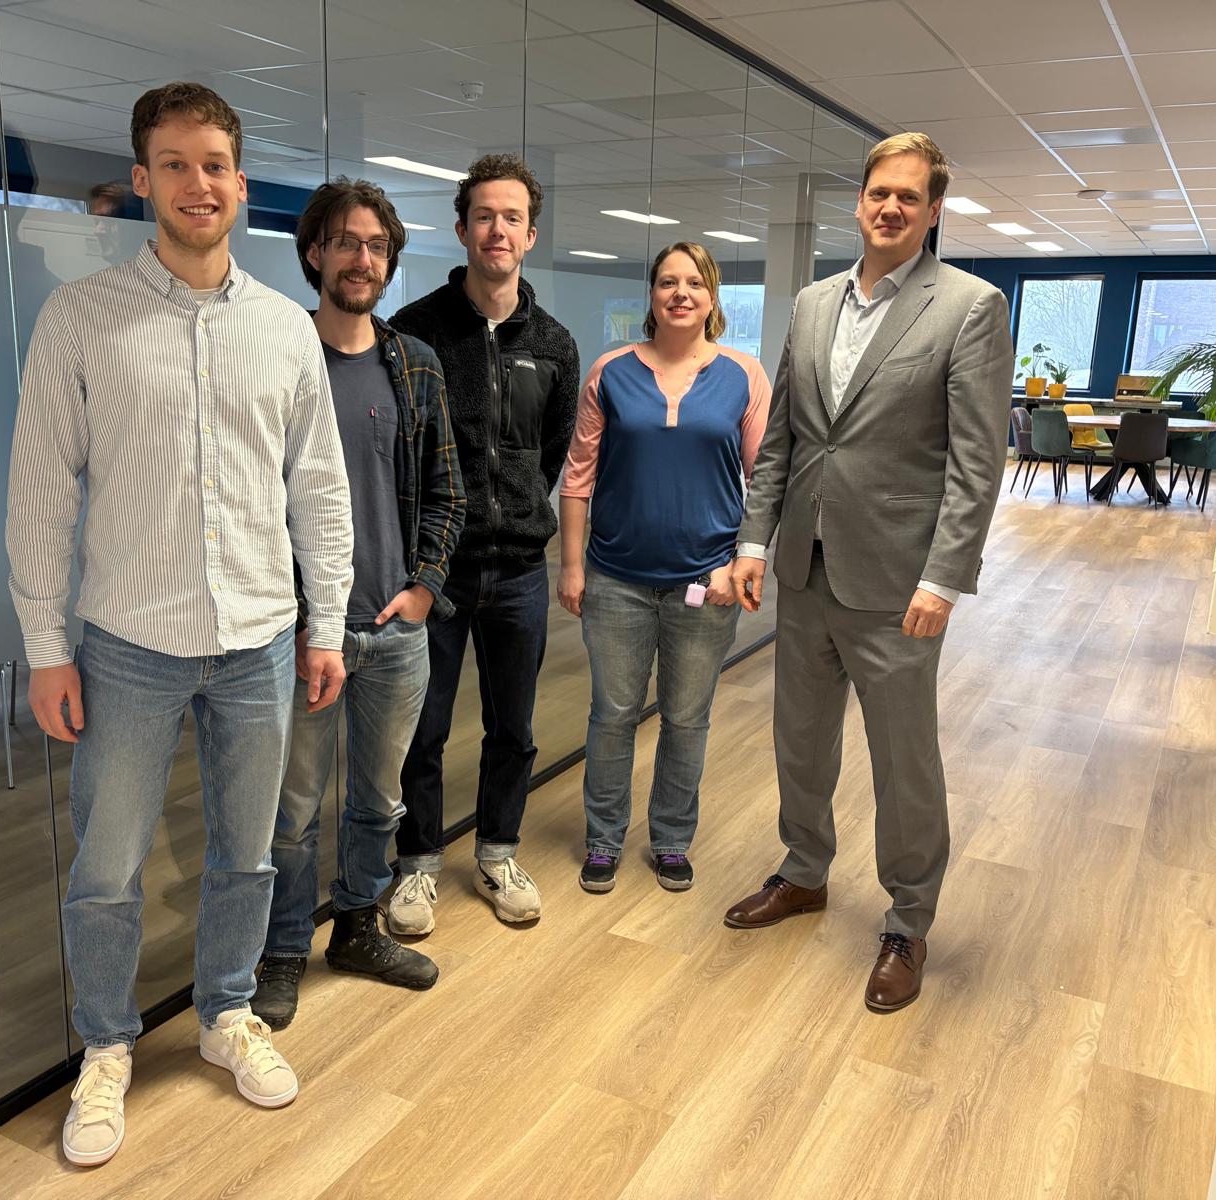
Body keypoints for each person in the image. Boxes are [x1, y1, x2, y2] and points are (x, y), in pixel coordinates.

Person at [5, 82, 353, 1166]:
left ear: (240, 183)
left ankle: (225, 1013)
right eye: (174, 163)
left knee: (247, 856)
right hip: (127, 643)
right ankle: (107, 1045)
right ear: (142, 180)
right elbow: (39, 494)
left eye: (214, 164)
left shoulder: (285, 330)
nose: (196, 184)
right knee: (106, 866)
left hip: (259, 639)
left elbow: (319, 489)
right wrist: (46, 647)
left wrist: (326, 624)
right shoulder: (81, 319)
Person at [723, 132, 1012, 1015]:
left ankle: (908, 920)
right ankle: (804, 870)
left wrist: (944, 579)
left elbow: (976, 463)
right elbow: (783, 439)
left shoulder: (969, 307)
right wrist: (752, 543)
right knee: (800, 739)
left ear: (932, 211)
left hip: (898, 580)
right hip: (804, 567)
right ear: (859, 201)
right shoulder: (814, 304)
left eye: (909, 197)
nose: (890, 208)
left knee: (903, 760)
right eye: (879, 192)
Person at [252, 178, 466, 1030]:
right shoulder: (279, 355)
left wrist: (423, 590)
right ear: (315, 252)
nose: (362, 259)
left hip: (393, 629)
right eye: (346, 241)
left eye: (377, 246)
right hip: (306, 633)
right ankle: (280, 951)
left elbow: (448, 492)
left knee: (380, 802)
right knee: (292, 812)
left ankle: (356, 930)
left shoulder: (414, 364)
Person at [386, 154, 579, 934]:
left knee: (514, 730)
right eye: (485, 216)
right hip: (436, 572)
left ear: (530, 236)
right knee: (422, 729)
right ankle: (417, 864)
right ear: (463, 229)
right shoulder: (416, 331)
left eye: (513, 218)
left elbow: (551, 452)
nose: (498, 230)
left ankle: (498, 852)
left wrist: (519, 510)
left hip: (520, 571)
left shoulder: (555, 344)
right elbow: (400, 452)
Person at [558, 242, 770, 895]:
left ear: (712, 297)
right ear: (652, 294)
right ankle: (603, 839)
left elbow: (765, 482)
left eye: (694, 283)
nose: (681, 293)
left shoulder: (743, 375)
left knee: (686, 717)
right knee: (613, 713)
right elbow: (577, 478)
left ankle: (672, 840)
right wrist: (571, 566)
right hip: (615, 578)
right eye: (668, 282)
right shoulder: (611, 371)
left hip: (705, 581)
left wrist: (743, 561)